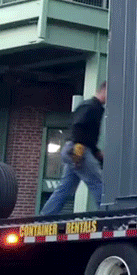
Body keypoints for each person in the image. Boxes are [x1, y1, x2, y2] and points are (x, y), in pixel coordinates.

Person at [40, 83, 107, 216]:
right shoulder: (92, 106)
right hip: (78, 149)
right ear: (104, 90)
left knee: (65, 187)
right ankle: (108, 215)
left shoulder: (90, 106)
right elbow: (78, 126)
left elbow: (84, 131)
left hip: (73, 149)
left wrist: (95, 152)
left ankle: (45, 216)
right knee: (97, 183)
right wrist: (79, 148)